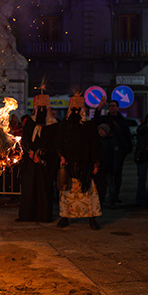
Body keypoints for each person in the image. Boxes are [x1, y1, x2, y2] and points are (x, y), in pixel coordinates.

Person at [55, 94, 102, 230]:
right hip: (68, 164)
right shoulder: (64, 125)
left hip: (85, 164)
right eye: (73, 109)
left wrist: (95, 163)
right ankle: (65, 216)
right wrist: (61, 156)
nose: (76, 111)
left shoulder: (89, 125)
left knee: (88, 192)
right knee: (66, 191)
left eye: (78, 109)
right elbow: (58, 142)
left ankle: (92, 218)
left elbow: (95, 145)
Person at [17, 94, 58, 222]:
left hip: (44, 162)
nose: (41, 110)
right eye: (38, 107)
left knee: (43, 189)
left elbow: (54, 143)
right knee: (29, 188)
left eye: (43, 107)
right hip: (30, 162)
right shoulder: (30, 122)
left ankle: (44, 216)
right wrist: (30, 152)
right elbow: (25, 139)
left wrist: (41, 154)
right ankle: (27, 215)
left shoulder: (53, 125)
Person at [95, 99, 132, 204]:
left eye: (114, 106)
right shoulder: (106, 119)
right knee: (106, 175)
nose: (112, 108)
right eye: (110, 106)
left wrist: (127, 148)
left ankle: (115, 195)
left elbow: (127, 134)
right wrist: (99, 107)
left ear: (118, 107)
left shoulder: (122, 120)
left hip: (119, 150)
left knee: (117, 174)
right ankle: (105, 196)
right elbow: (96, 119)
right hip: (107, 151)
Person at [96, 123, 119, 208]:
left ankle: (112, 201)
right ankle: (101, 201)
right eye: (99, 130)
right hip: (101, 167)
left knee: (110, 184)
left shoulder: (111, 141)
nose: (100, 132)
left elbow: (115, 156)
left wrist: (115, 167)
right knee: (101, 185)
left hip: (109, 167)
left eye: (102, 130)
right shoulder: (98, 141)